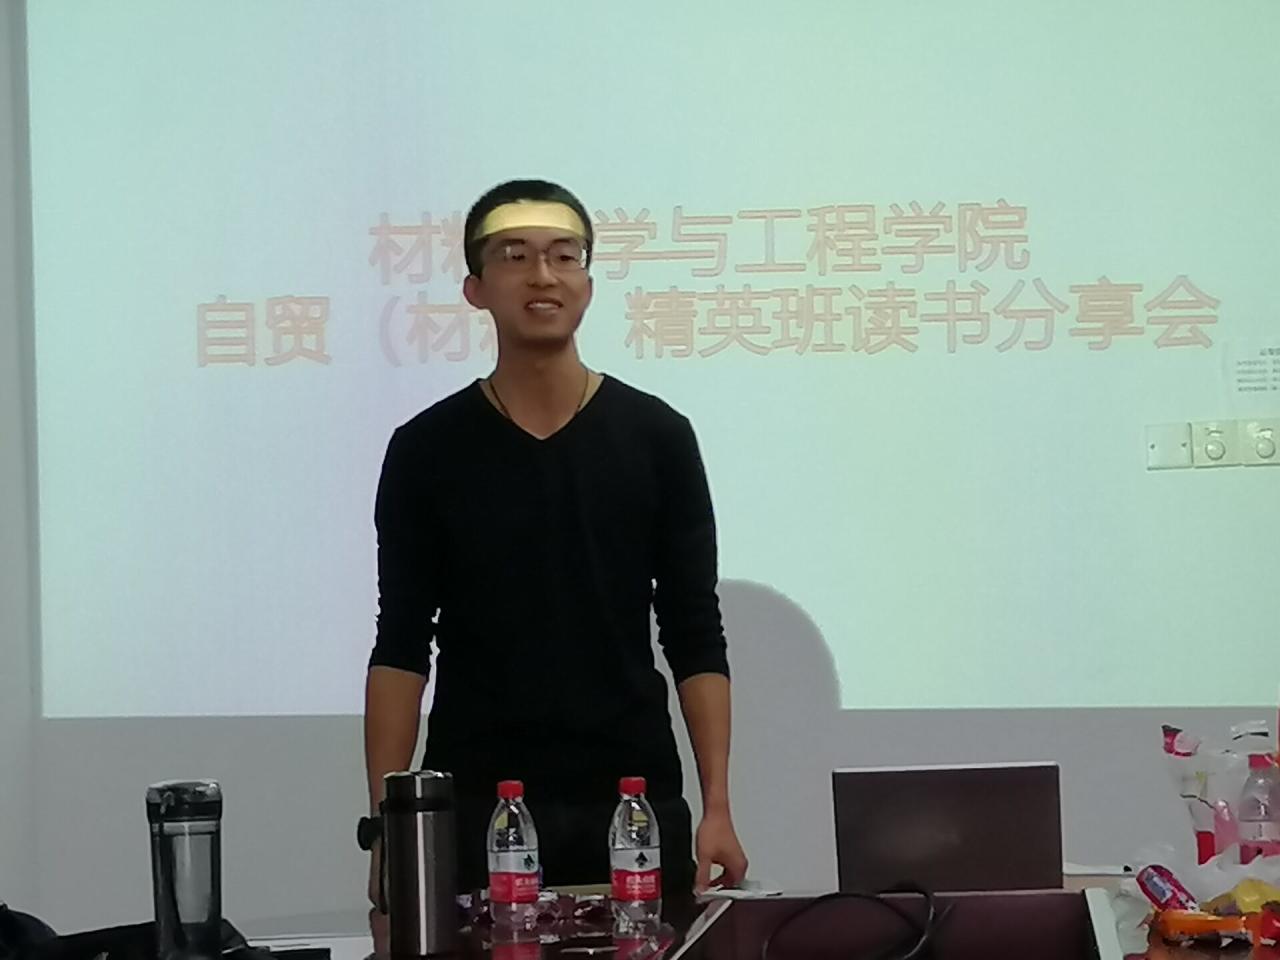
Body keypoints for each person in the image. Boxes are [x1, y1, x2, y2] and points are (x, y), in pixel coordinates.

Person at [362, 179, 747, 920]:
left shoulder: (658, 437)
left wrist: (719, 807)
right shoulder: (426, 449)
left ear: (588, 285)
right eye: (515, 256)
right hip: (475, 803)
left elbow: (695, 632)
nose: (543, 275)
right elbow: (402, 645)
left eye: (564, 256)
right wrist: (390, 828)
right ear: (476, 289)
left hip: (632, 802)